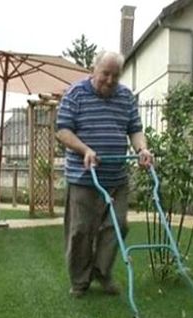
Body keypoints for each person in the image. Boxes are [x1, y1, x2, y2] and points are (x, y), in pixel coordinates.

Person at [55, 50, 153, 298]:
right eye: (105, 74)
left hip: (116, 178)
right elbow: (63, 131)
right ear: (93, 70)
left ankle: (101, 271)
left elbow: (135, 129)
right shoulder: (75, 94)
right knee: (81, 231)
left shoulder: (126, 97)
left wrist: (142, 149)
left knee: (117, 226)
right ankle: (79, 281)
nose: (110, 80)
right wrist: (85, 149)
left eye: (115, 76)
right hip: (84, 178)